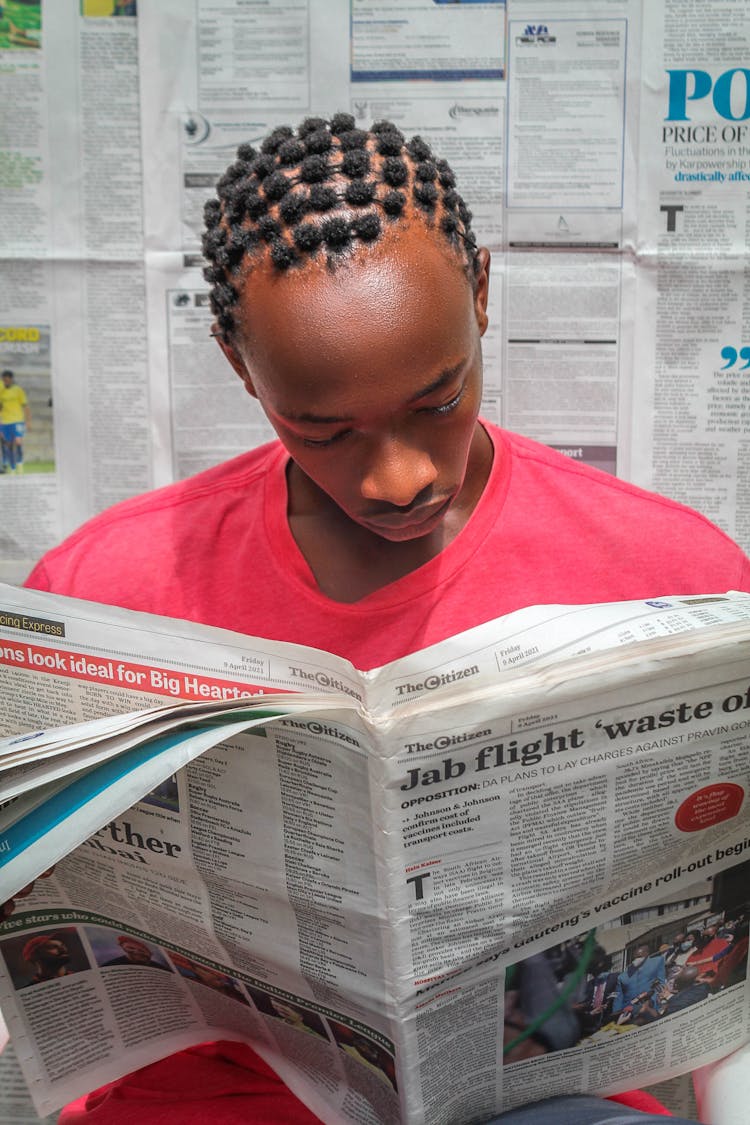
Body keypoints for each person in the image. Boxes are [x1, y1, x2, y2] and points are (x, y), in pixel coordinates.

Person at [24, 114, 750, 1122]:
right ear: (241, 367)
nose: (400, 478)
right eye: (322, 430)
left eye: (438, 398)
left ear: (482, 294)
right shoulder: (104, 589)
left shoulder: (676, 576)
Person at [0, 369, 31, 474]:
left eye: (7, 380)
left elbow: (25, 406)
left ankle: (20, 465)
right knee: (8, 445)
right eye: (4, 380)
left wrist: (28, 422)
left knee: (18, 442)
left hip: (18, 420)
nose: (6, 382)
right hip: (5, 422)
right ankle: (12, 469)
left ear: (12, 379)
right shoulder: (1, 391)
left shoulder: (18, 390)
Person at [101, 935, 171, 969]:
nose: (136, 952)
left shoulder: (160, 968)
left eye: (142, 950)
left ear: (150, 954)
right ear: (123, 947)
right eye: (131, 948)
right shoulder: (111, 965)